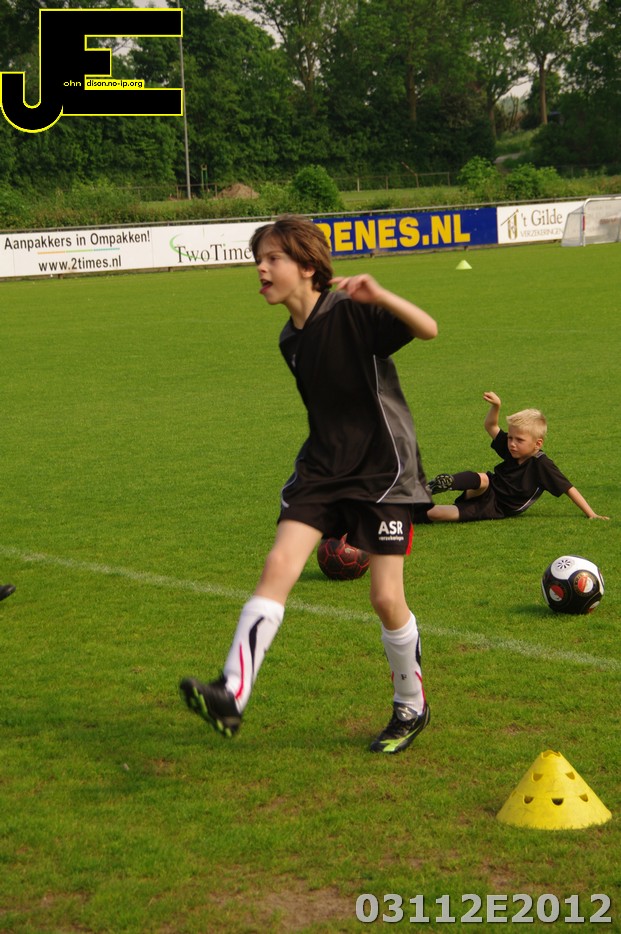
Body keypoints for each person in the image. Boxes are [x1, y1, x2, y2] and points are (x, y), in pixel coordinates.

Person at [180, 214, 438, 754]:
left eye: (272, 258)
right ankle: (232, 693)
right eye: (258, 259)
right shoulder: (289, 339)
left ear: (306, 266)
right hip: (322, 467)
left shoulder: (350, 311)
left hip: (381, 469)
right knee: (278, 564)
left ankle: (411, 705)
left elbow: (427, 327)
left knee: (385, 597)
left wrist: (379, 295)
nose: (261, 268)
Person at [425, 391, 609, 522]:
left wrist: (591, 514)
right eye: (510, 437)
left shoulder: (541, 464)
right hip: (489, 489)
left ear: (537, 444)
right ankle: (439, 485)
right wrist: (496, 406)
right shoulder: (514, 448)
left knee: (435, 514)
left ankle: (414, 513)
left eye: (519, 440)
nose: (512, 443)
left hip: (497, 507)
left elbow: (569, 488)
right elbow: (491, 426)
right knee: (483, 479)